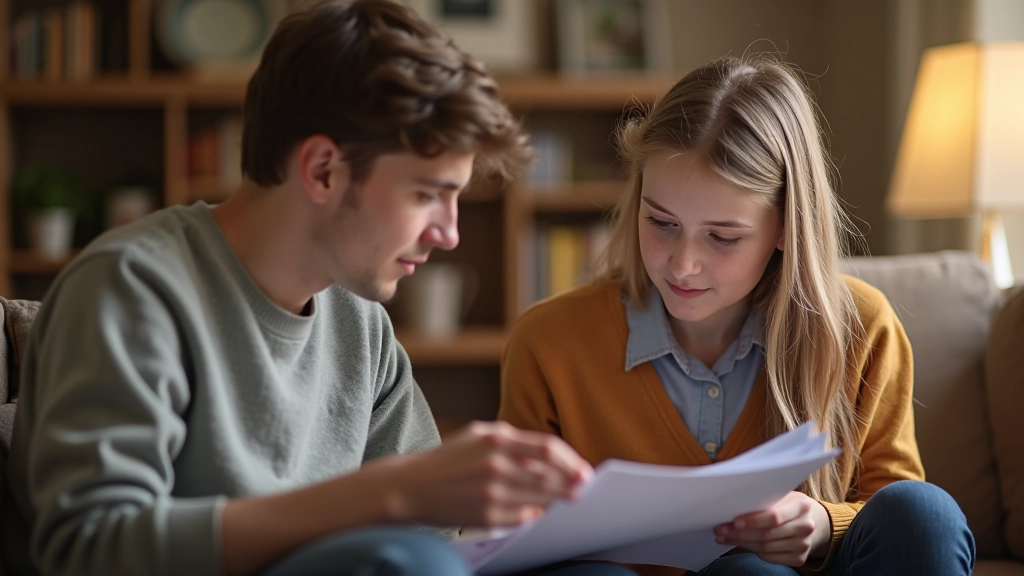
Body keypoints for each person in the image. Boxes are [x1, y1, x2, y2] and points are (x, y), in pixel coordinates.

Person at [2, 2, 635, 575]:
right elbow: (88, 547)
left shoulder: (360, 322)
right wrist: (390, 493)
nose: (449, 234)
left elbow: (434, 536)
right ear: (324, 169)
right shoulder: (130, 289)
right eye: (426, 195)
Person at [498, 55, 977, 576]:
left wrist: (822, 524)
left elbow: (892, 515)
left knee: (921, 514)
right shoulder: (550, 340)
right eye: (661, 222)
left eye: (722, 237)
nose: (683, 264)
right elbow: (513, 529)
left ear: (785, 227)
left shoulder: (860, 329)